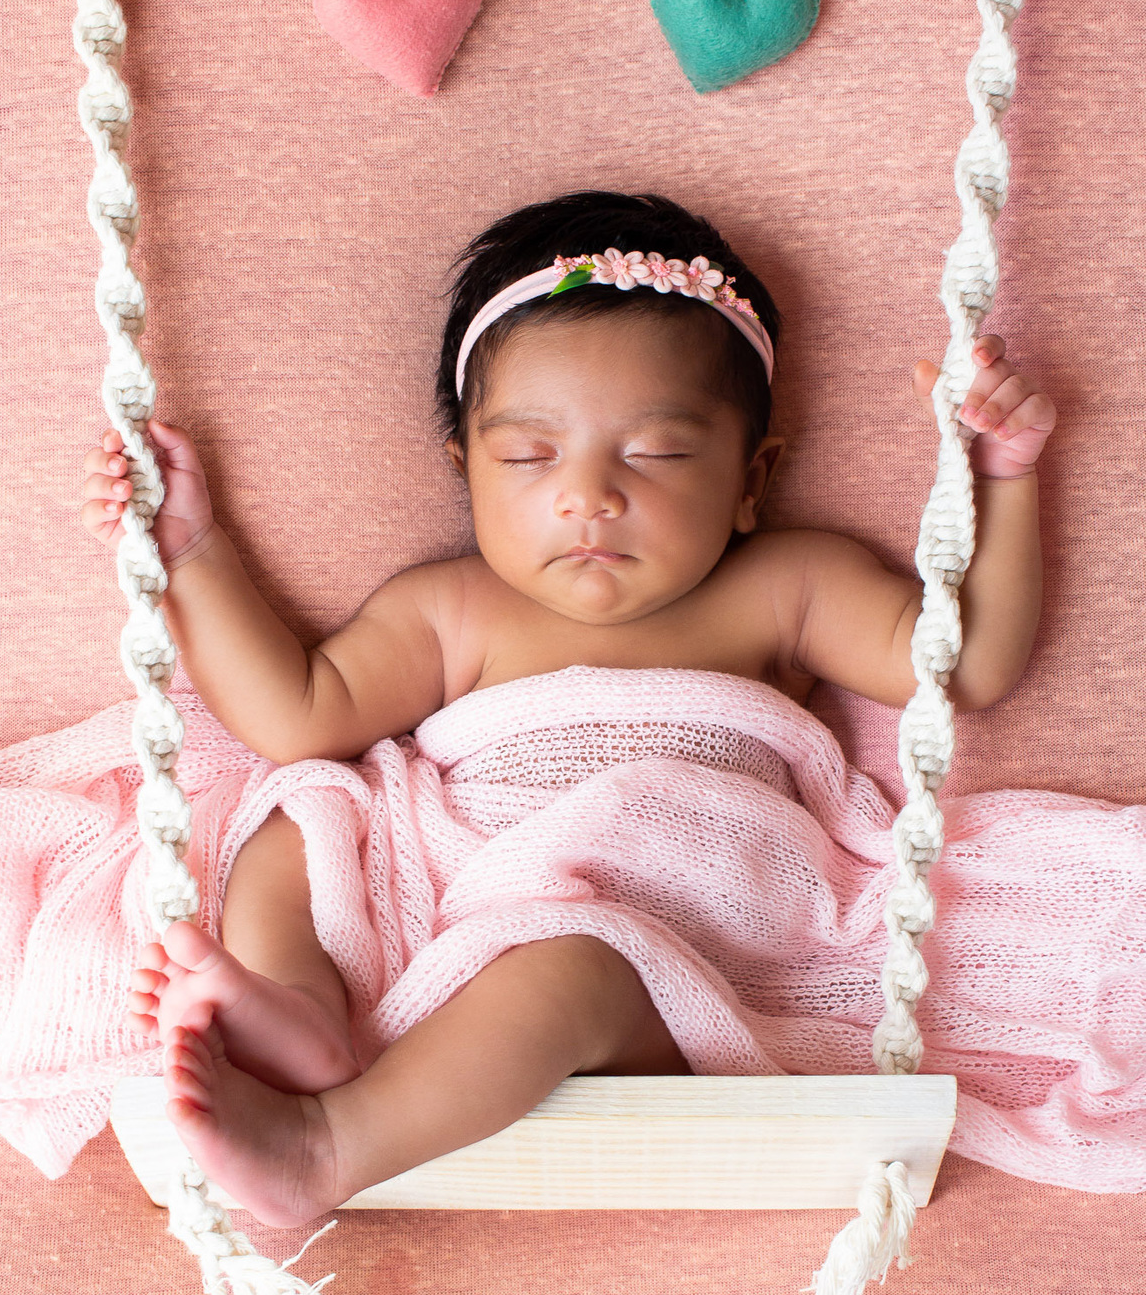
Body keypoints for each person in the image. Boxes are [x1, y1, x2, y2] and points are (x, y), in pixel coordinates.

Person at [79, 188, 1055, 1227]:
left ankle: (328, 1146)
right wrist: (192, 550)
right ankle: (302, 1013)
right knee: (298, 813)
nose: (588, 495)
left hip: (670, 950)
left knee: (574, 968)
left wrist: (1000, 477)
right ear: (466, 473)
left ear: (750, 478)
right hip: (467, 899)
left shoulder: (788, 584)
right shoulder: (449, 608)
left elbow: (965, 665)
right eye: (529, 456)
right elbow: (297, 712)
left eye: (657, 452)